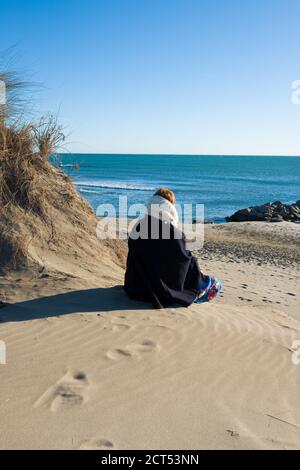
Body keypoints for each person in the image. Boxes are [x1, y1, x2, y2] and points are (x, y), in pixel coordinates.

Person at [124, 188, 221, 309]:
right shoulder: (173, 232)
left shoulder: (138, 227)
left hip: (135, 287)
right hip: (161, 291)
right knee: (215, 284)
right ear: (170, 207)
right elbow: (183, 262)